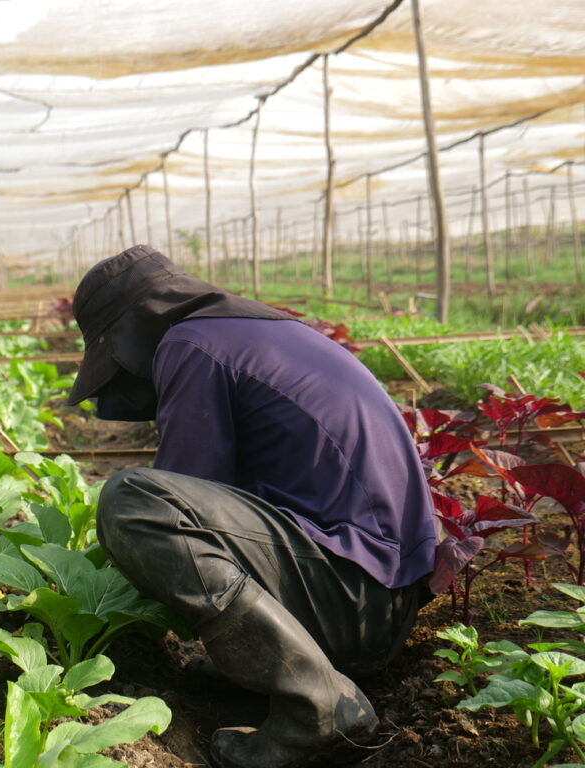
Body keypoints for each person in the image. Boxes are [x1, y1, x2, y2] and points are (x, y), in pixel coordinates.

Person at [66, 245, 437, 768]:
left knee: (133, 500)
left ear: (129, 334)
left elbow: (179, 497)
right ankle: (284, 665)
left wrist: (88, 598)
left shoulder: (191, 344)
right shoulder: (251, 331)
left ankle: (317, 706)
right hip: (380, 604)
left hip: (354, 600)